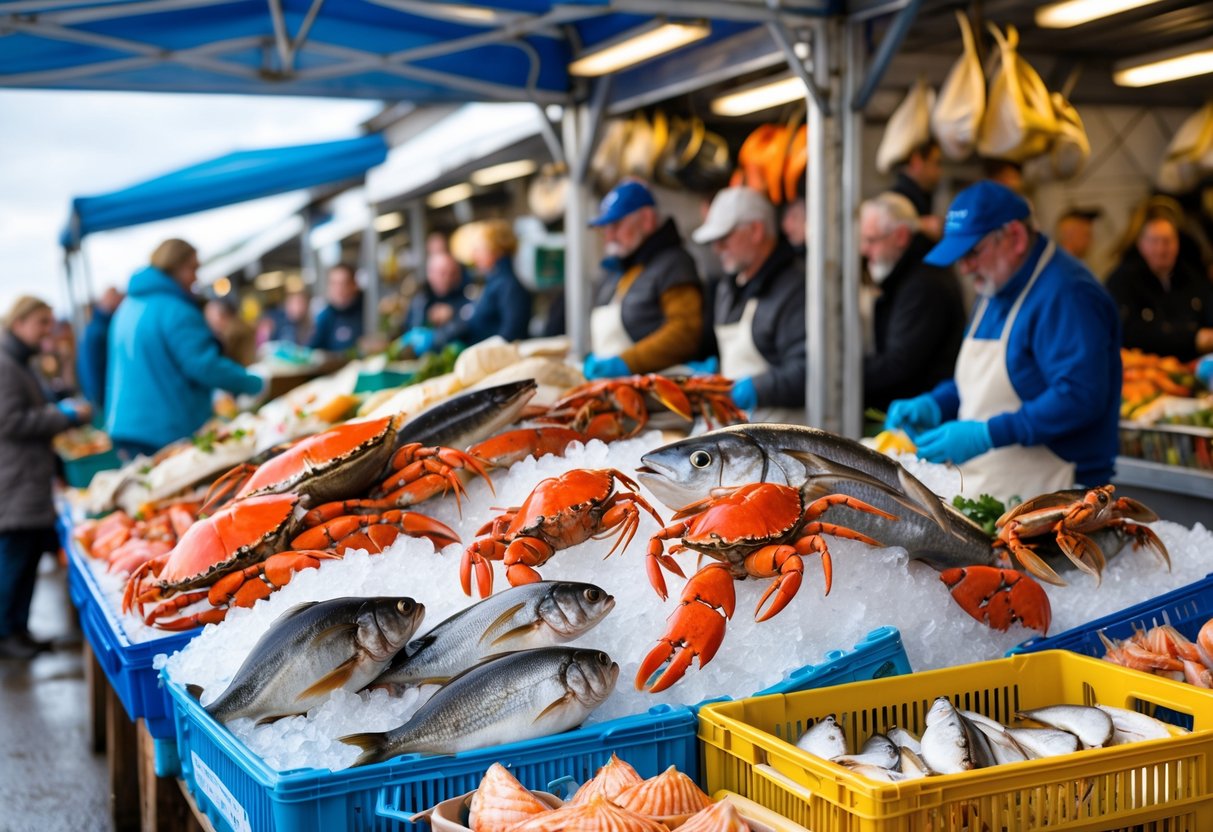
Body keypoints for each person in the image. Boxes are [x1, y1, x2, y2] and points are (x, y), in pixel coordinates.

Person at [884, 181, 1121, 501]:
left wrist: (987, 434)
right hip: (997, 491)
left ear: (1016, 237)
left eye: (972, 253)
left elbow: (1080, 396)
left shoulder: (1068, 294)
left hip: (1059, 497)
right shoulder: (995, 284)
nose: (965, 268)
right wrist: (936, 403)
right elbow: (983, 387)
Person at [106, 239, 263, 458]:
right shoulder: (175, 309)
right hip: (164, 430)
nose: (196, 277)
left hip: (126, 427)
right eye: (193, 268)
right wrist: (255, 382)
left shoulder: (126, 308)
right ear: (175, 266)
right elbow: (204, 365)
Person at [0, 296, 92, 659]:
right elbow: (9, 421)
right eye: (41, 322)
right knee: (14, 560)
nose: (47, 330)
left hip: (25, 476)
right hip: (15, 479)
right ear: (19, 322)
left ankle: (17, 630)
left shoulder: (19, 361)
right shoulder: (7, 365)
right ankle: (7, 634)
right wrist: (63, 417)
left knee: (23, 560)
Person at [690, 187, 805, 421]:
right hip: (735, 428)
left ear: (756, 231)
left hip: (780, 437)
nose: (717, 249)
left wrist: (756, 388)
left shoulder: (795, 288)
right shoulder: (727, 287)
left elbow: (808, 371)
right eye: (714, 241)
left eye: (724, 239)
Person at [582, 181, 703, 379]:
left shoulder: (675, 263)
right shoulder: (617, 269)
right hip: (612, 389)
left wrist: (626, 363)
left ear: (647, 219)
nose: (609, 235)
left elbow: (685, 331)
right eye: (606, 227)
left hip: (655, 394)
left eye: (616, 225)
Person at [859, 192, 966, 412]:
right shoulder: (909, 276)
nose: (865, 250)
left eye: (872, 240)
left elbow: (900, 363)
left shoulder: (924, 284)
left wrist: (844, 376)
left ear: (900, 236)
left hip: (925, 413)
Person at [399, 220, 532, 354]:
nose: (475, 255)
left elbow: (511, 336)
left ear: (495, 250)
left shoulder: (507, 286)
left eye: (480, 249)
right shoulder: (493, 284)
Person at [1106, 211, 1213, 363]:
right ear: (1140, 243)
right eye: (1154, 241)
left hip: (1197, 368)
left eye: (1167, 241)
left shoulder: (1192, 276)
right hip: (1144, 371)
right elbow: (1129, 332)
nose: (1161, 249)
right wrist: (1192, 337)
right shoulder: (1122, 281)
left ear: (1178, 242)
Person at [77, 287, 122, 411]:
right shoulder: (100, 330)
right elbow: (92, 367)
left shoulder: (96, 327)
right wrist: (97, 397)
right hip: (103, 396)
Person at [405, 251, 472, 332]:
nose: (446, 278)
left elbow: (470, 321)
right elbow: (411, 329)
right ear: (430, 274)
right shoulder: (421, 300)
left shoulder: (467, 292)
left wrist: (454, 312)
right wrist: (429, 319)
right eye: (441, 273)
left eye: (451, 273)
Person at [891, 139, 944, 239]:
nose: (939, 171)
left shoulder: (921, 195)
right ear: (917, 161)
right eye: (936, 163)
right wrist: (921, 225)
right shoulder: (898, 198)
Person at [308, 264, 364, 353]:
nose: (339, 289)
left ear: (354, 285)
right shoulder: (324, 316)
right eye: (334, 284)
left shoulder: (367, 311)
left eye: (344, 284)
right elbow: (312, 350)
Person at [204, 297, 257, 366]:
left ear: (222, 316)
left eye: (209, 316)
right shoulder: (240, 325)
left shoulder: (233, 333)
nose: (208, 321)